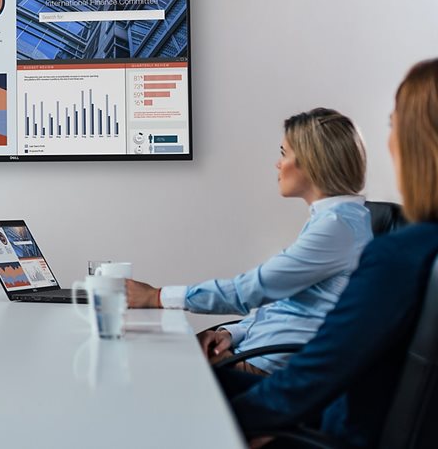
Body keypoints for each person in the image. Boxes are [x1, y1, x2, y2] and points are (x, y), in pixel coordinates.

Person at [220, 55, 438, 448]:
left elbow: (316, 374)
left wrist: (222, 423)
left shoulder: (400, 257)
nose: (389, 140)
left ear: (421, 145)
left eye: (393, 125)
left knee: (181, 388)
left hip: (332, 434)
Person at [127, 108, 372, 373]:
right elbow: (284, 305)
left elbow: (252, 290)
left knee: (145, 365)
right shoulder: (336, 220)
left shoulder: (336, 228)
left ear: (313, 162)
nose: (278, 164)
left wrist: (156, 296)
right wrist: (231, 334)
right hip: (253, 351)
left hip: (264, 371)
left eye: (284, 153)